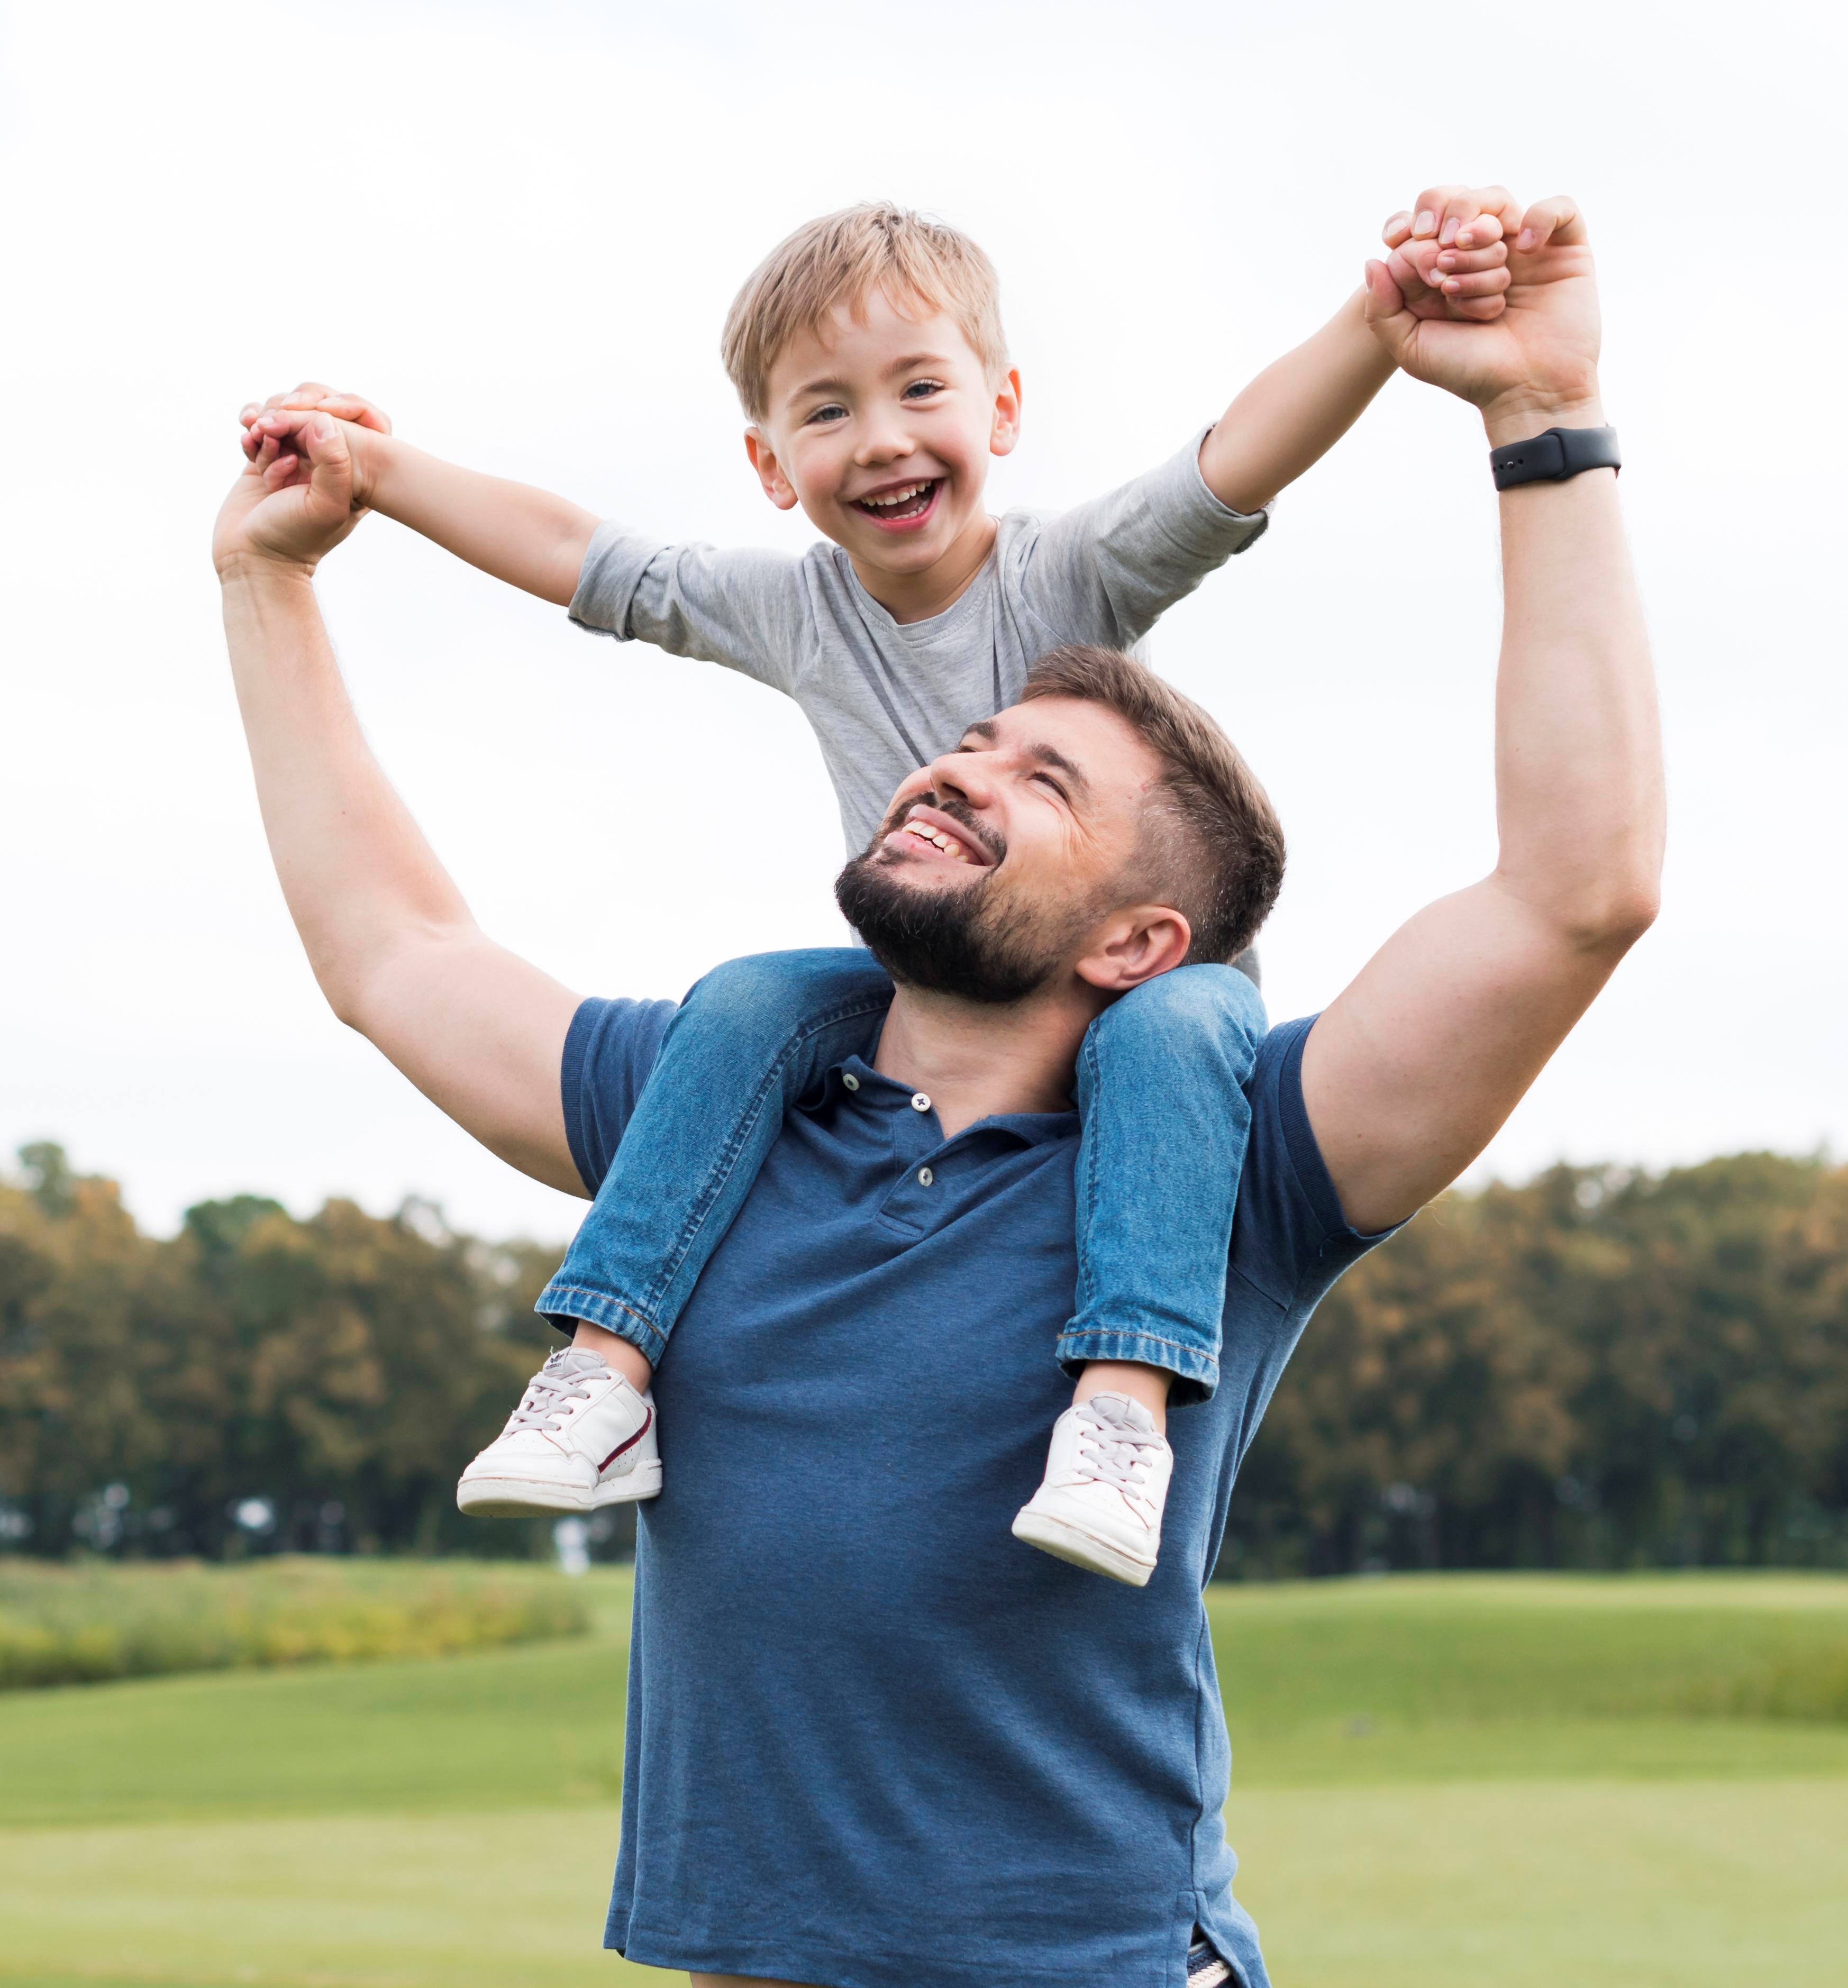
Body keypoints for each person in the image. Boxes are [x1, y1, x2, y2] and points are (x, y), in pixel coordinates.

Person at [215, 188, 1658, 1986]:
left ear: (1144, 940)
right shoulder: (711, 1115)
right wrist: (267, 580)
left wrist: (1542, 417)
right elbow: (392, 954)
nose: (958, 766)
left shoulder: (1236, 1164)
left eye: (1046, 780)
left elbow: (1576, 892)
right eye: (970, 740)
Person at [237, 186, 1522, 1582]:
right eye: (828, 409)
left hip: (1147, 1006)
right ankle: (603, 1368)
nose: (883, 438)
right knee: (750, 999)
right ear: (771, 463)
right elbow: (582, 558)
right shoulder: (800, 610)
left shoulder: (1071, 573)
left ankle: (1121, 1407)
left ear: (1002, 409)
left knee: (1170, 1028)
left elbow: (1231, 464)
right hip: (934, 994)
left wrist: (1377, 326)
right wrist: (374, 469)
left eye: (921, 388)